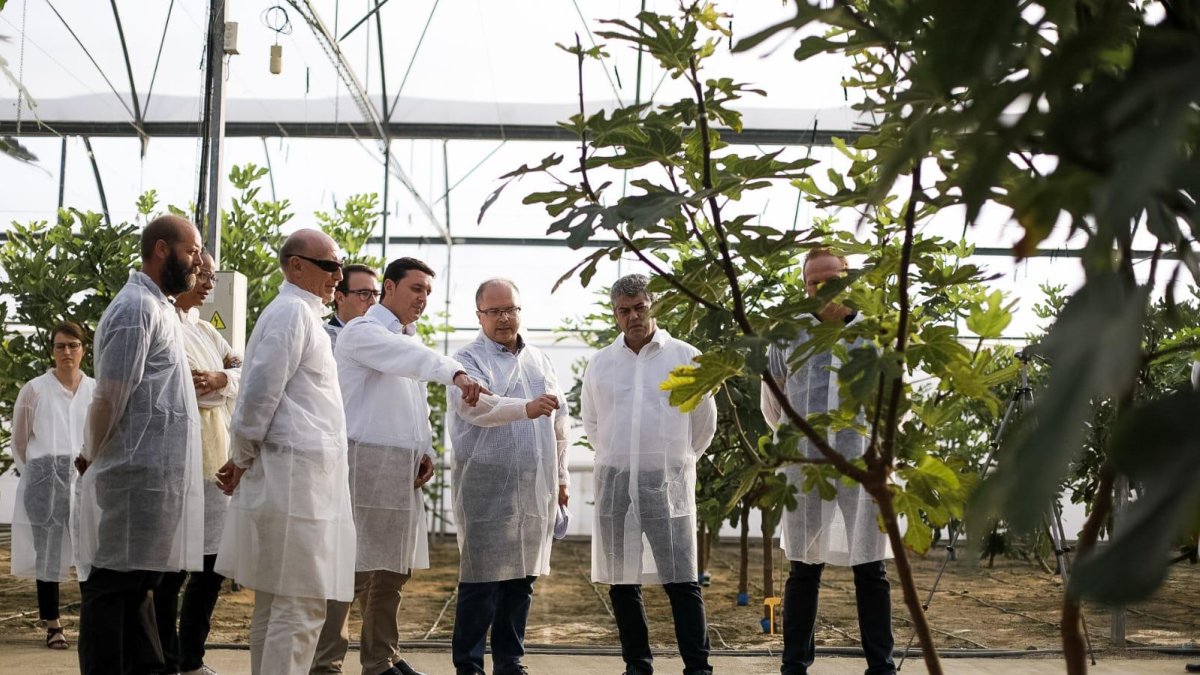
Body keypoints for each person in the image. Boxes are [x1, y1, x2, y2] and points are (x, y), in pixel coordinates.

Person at [311, 257, 484, 675]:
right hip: (363, 459)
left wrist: (423, 449)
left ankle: (380, 660)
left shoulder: (409, 339)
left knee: (393, 569)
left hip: (401, 465)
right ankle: (325, 663)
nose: (423, 298)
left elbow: (415, 404)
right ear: (388, 288)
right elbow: (413, 360)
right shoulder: (362, 332)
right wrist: (458, 373)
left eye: (427, 291)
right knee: (351, 568)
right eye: (415, 288)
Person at [215, 229, 357, 675]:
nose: (338, 274)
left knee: (278, 601)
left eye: (339, 264)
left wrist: (243, 455)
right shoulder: (293, 313)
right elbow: (258, 393)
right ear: (295, 266)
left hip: (296, 475)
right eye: (328, 265)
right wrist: (240, 456)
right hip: (296, 480)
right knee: (301, 603)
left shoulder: (299, 314)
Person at [75, 214, 206, 675]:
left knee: (141, 583)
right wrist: (90, 454)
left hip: (155, 478)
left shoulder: (161, 308)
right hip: (132, 475)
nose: (199, 261)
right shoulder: (135, 310)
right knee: (114, 585)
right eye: (192, 250)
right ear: (162, 250)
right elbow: (110, 395)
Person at [760, 247, 894, 675]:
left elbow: (896, 402)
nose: (822, 288)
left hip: (863, 465)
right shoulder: (786, 337)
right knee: (803, 567)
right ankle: (795, 663)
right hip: (806, 467)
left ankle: (881, 665)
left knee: (870, 569)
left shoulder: (877, 334)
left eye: (831, 278)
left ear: (849, 278)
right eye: (813, 281)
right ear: (805, 286)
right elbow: (774, 404)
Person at [581, 273, 717, 675]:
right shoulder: (601, 363)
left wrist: (674, 462)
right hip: (617, 484)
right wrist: (621, 459)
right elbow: (593, 424)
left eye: (640, 307)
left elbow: (703, 425)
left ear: (652, 305)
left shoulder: (687, 357)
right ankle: (637, 665)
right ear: (615, 315)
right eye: (624, 310)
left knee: (682, 581)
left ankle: (698, 667)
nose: (634, 316)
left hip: (668, 483)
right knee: (623, 583)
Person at [447, 279, 569, 675]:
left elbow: (560, 425)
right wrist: (526, 408)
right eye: (494, 311)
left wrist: (562, 479)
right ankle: (468, 664)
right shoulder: (467, 360)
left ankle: (509, 661)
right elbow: (477, 407)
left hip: (534, 486)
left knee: (522, 580)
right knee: (481, 582)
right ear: (479, 315)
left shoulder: (539, 359)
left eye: (510, 309)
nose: (504, 318)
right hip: (486, 486)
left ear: (520, 311)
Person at [154, 252, 242, 675]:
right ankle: (166, 658)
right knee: (172, 571)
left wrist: (224, 378)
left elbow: (242, 376)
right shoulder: (165, 324)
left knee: (210, 570)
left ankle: (192, 658)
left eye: (212, 275)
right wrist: (221, 383)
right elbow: (190, 389)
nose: (209, 282)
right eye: (202, 274)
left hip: (218, 459)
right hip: (180, 460)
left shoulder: (206, 330)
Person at [10, 321, 96, 651]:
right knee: (48, 553)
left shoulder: (95, 390)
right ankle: (53, 624)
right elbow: (20, 441)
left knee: (92, 551)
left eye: (73, 346)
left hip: (86, 481)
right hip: (46, 479)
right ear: (52, 350)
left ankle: (92, 621)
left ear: (83, 350)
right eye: (60, 346)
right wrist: (39, 476)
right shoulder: (34, 390)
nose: (67, 352)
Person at [325, 264, 380, 349]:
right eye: (364, 293)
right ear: (340, 298)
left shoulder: (382, 335)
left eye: (376, 294)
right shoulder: (324, 339)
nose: (373, 301)